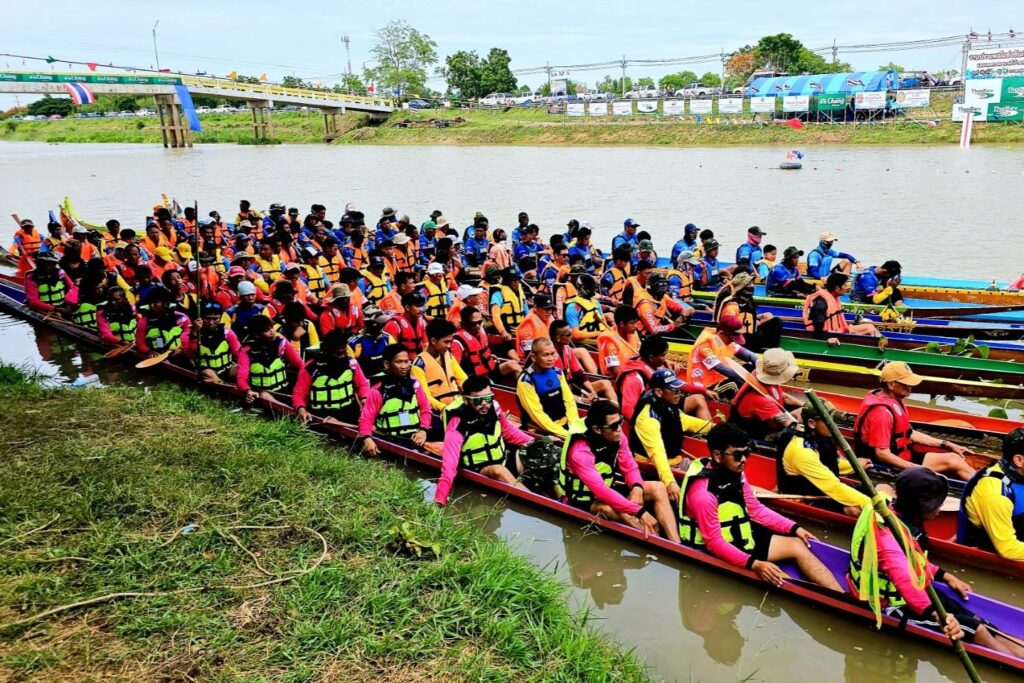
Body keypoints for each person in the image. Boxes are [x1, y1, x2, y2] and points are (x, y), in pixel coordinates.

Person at [849, 469, 1024, 658]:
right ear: (919, 507)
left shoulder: (897, 515)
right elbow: (906, 581)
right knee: (977, 629)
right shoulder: (888, 538)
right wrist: (939, 616)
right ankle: (1012, 662)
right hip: (889, 604)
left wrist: (946, 576)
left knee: (983, 623)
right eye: (935, 505)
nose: (939, 508)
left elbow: (915, 560)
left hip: (916, 588)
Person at [679, 423, 843, 591]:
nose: (743, 460)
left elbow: (755, 509)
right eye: (737, 455)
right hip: (715, 548)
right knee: (780, 570)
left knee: (797, 544)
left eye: (746, 453)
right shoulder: (703, 494)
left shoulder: (736, 473)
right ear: (717, 455)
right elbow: (714, 543)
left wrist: (794, 528)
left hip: (738, 535)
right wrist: (754, 564)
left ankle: (841, 596)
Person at [561, 399, 679, 541]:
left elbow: (629, 466)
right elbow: (600, 491)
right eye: (614, 426)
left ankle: (676, 543)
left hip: (608, 490)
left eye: (620, 422)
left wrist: (637, 487)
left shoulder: (617, 435)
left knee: (658, 487)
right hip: (583, 502)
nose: (619, 429)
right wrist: (640, 512)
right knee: (610, 509)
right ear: (598, 429)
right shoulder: (580, 451)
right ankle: (654, 540)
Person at [853, 362, 976, 480]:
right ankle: (981, 486)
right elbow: (882, 454)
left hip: (905, 454)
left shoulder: (892, 399)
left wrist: (948, 444)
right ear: (891, 385)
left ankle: (983, 482)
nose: (910, 387)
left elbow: (909, 433)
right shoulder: (881, 414)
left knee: (954, 457)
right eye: (906, 383)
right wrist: (917, 469)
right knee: (953, 461)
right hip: (888, 464)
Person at [433, 375, 536, 506]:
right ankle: (534, 500)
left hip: (503, 458)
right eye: (478, 400)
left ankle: (560, 496)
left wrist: (535, 442)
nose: (485, 404)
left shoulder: (494, 408)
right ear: (466, 400)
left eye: (488, 398)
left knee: (539, 450)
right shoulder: (457, 424)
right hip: (481, 468)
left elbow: (509, 432)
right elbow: (449, 466)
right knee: (499, 470)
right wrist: (439, 500)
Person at [628, 369, 712, 502]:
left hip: (676, 461)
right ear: (659, 392)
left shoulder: (669, 405)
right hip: (657, 467)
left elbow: (685, 421)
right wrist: (669, 482)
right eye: (675, 390)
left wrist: (715, 428)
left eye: (680, 389)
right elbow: (657, 453)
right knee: (708, 483)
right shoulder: (648, 418)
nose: (680, 394)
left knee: (711, 470)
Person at [776, 399, 871, 516]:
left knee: (883, 488)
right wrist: (873, 505)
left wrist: (855, 466)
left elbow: (826, 463)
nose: (834, 425)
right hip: (808, 497)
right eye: (828, 421)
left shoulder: (818, 436)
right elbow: (833, 487)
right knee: (856, 510)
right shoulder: (802, 451)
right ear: (812, 423)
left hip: (822, 488)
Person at [958, 427, 1024, 560]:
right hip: (998, 546)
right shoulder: (995, 494)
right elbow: (1008, 550)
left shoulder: (1018, 473)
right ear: (1019, 461)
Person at [616, 334, 715, 422]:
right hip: (650, 415)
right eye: (663, 355)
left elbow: (678, 383)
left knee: (699, 398)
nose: (665, 359)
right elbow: (627, 410)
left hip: (663, 404)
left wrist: (704, 391)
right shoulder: (634, 379)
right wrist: (645, 427)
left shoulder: (656, 363)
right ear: (651, 357)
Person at [358, 344, 433, 455]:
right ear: (387, 364)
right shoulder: (378, 390)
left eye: (406, 361)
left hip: (415, 437)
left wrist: (423, 430)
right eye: (399, 362)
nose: (404, 366)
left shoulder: (415, 384)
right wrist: (366, 438)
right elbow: (366, 419)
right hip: (390, 439)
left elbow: (426, 409)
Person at [293, 328, 370, 425]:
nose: (342, 356)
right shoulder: (310, 368)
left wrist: (364, 398)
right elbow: (299, 393)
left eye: (344, 352)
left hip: (348, 416)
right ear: (327, 351)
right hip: (320, 419)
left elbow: (363, 384)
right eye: (338, 353)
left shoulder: (352, 364)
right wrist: (302, 410)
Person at [730, 348, 804, 441]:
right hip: (758, 435)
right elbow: (788, 422)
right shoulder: (758, 399)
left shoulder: (760, 377)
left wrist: (804, 405)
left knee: (805, 410)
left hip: (772, 418)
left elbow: (783, 396)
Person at [516, 338, 580, 438]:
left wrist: (574, 427)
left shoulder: (558, 372)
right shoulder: (526, 381)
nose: (551, 358)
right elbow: (537, 415)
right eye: (546, 355)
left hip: (565, 425)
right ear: (533, 357)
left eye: (553, 354)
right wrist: (566, 435)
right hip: (543, 430)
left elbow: (569, 401)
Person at [686, 314, 759, 399]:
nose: (733, 341)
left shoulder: (726, 341)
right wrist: (753, 385)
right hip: (702, 389)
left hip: (718, 381)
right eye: (732, 338)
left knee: (751, 367)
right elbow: (726, 370)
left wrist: (760, 365)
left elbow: (750, 356)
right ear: (722, 333)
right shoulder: (705, 346)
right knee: (735, 384)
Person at [237, 315, 304, 402]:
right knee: (264, 395)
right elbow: (241, 379)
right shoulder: (246, 351)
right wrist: (247, 390)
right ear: (256, 334)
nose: (272, 331)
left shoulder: (281, 343)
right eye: (267, 330)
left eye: (272, 328)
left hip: (284, 388)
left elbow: (300, 364)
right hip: (262, 392)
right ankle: (288, 412)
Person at [714, 271, 780, 353]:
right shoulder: (732, 304)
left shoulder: (749, 299)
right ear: (741, 287)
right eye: (749, 284)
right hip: (741, 339)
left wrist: (756, 321)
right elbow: (727, 327)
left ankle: (772, 351)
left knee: (775, 322)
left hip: (751, 333)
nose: (752, 286)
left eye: (752, 283)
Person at [549, 319, 615, 402]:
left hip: (573, 389)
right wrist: (582, 400)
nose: (571, 337)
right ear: (558, 338)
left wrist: (592, 391)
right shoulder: (548, 358)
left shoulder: (568, 349)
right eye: (568, 335)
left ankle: (617, 412)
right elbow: (557, 391)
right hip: (561, 396)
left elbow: (580, 375)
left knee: (605, 383)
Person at [803, 272, 880, 343]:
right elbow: (817, 331)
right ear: (837, 288)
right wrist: (827, 339)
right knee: (869, 330)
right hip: (828, 335)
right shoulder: (820, 303)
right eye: (845, 285)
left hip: (837, 331)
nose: (847, 288)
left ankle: (882, 341)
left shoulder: (833, 297)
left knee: (870, 327)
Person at [411, 319, 467, 412]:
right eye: (446, 342)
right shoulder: (419, 364)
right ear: (433, 340)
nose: (449, 346)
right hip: (437, 412)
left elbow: (463, 379)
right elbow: (424, 396)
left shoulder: (448, 355)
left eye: (450, 342)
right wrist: (443, 408)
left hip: (457, 407)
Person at [451, 306, 521, 380]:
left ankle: (527, 388)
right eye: (473, 324)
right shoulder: (457, 342)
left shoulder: (481, 330)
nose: (478, 326)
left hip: (490, 369)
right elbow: (455, 369)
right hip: (477, 378)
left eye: (480, 322)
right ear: (464, 324)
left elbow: (482, 349)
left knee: (513, 364)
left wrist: (490, 355)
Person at [188, 300, 241, 382]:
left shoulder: (227, 332)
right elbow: (191, 355)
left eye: (215, 318)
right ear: (201, 318)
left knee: (243, 368)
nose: (211, 322)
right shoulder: (194, 332)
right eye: (207, 319)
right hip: (206, 371)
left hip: (226, 369)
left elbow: (238, 353)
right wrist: (193, 334)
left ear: (220, 317)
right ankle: (223, 385)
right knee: (208, 373)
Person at [136, 287, 191, 359]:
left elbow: (190, 338)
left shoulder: (182, 318)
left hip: (180, 355)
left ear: (166, 303)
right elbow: (140, 344)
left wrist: (181, 349)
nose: (152, 305)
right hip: (157, 358)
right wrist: (149, 351)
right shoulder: (144, 321)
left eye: (156, 302)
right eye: (150, 302)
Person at [596, 305, 642, 378]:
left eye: (635, 322)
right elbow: (616, 371)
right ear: (622, 324)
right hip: (622, 379)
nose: (635, 326)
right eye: (632, 323)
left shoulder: (633, 333)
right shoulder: (610, 343)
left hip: (636, 371)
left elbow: (641, 354)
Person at [348, 311, 395, 378]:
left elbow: (395, 358)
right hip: (365, 379)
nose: (383, 325)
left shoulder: (387, 338)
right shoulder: (355, 342)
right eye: (381, 323)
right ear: (372, 324)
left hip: (385, 378)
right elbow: (350, 365)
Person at [564, 274, 609, 343]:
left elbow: (604, 323)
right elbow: (575, 334)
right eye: (590, 288)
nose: (593, 290)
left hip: (602, 338)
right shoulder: (573, 307)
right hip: (587, 343)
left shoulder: (596, 302)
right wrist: (597, 333)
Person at [489, 267, 528, 344]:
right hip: (507, 331)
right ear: (506, 281)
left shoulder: (520, 291)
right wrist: (503, 332)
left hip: (520, 329)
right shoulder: (498, 294)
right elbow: (495, 316)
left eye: (517, 279)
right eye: (513, 280)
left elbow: (526, 311)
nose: (516, 282)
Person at [516, 293, 558, 359]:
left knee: (579, 351)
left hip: (552, 355)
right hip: (536, 361)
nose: (549, 312)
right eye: (545, 308)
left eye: (550, 309)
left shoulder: (550, 319)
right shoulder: (527, 326)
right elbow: (529, 354)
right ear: (535, 308)